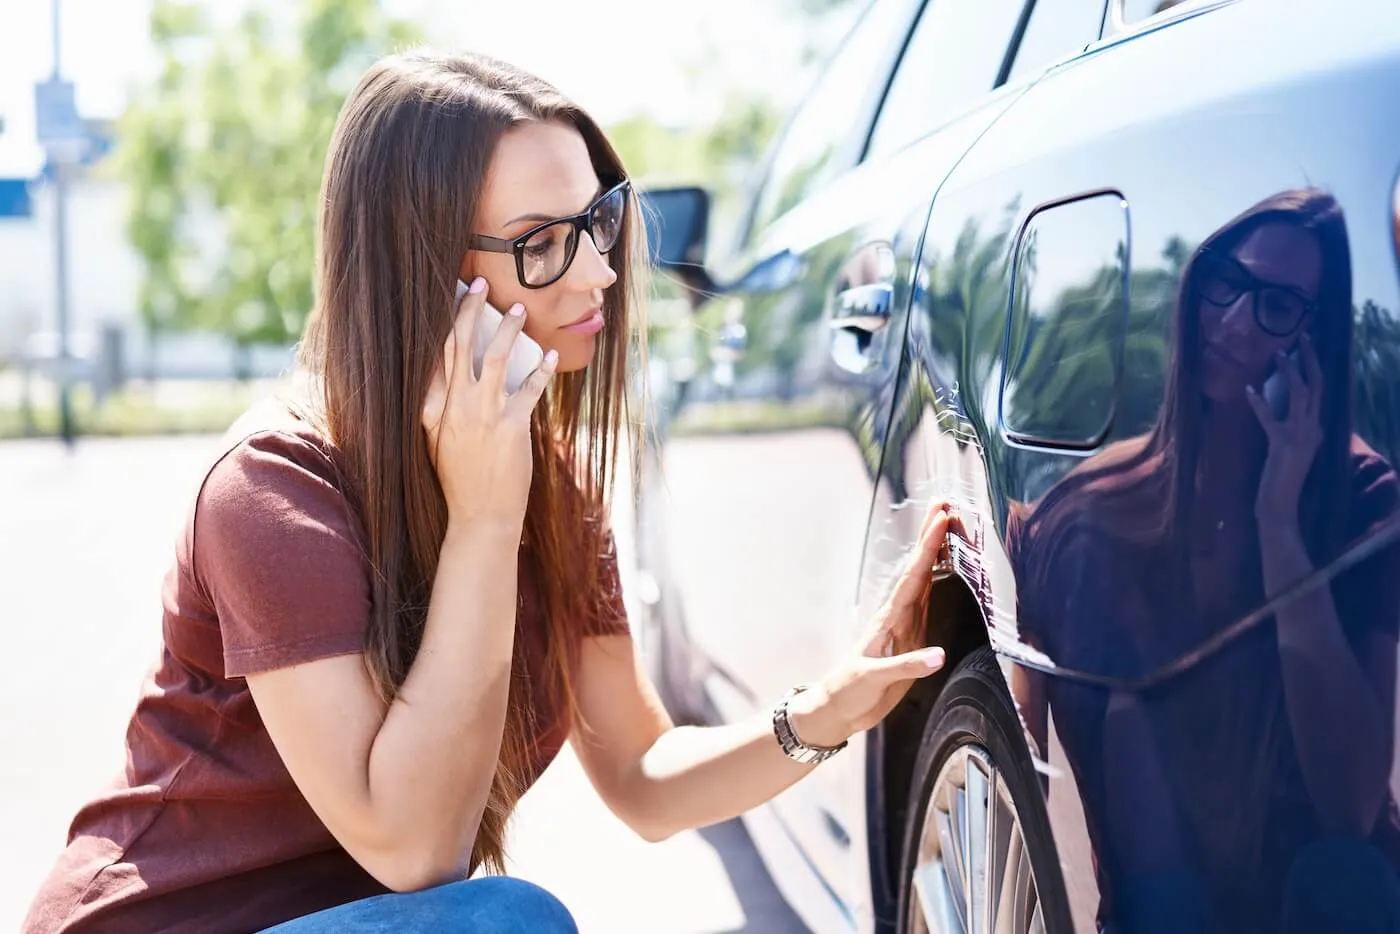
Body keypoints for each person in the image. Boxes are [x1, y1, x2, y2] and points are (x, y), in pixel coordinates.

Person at [21, 50, 954, 934]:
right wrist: (483, 519)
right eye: (542, 242)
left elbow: (643, 775)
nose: (600, 269)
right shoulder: (274, 490)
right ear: (422, 269)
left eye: (600, 220)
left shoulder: (551, 485)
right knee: (507, 920)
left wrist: (828, 709)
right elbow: (417, 850)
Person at [1007, 188, 1400, 933]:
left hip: (1325, 898)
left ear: (1314, 345)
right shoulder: (1089, 513)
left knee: (1339, 875)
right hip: (1163, 903)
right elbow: (1022, 760)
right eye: (1228, 281)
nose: (1235, 321)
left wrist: (1280, 528)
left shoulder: (1360, 497)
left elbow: (1351, 806)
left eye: (1278, 307)